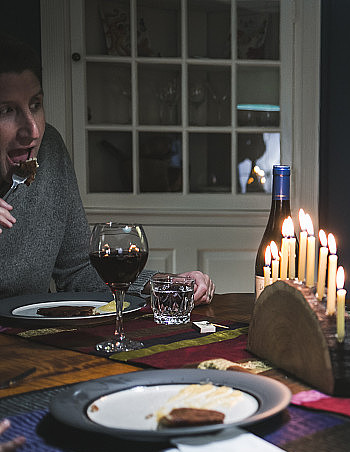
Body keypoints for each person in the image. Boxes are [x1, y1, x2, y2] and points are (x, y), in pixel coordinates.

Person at [0, 34, 214, 303]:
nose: (32, 130)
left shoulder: (50, 150)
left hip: (30, 336)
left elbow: (77, 271)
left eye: (35, 104)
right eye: (6, 110)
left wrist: (162, 284)